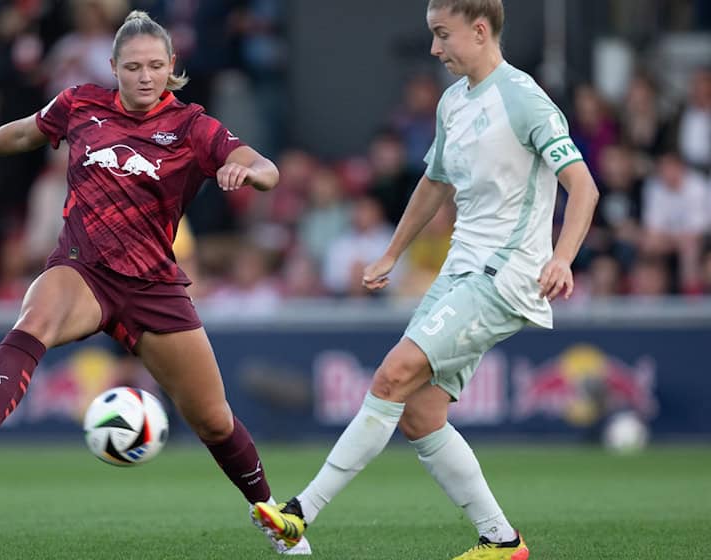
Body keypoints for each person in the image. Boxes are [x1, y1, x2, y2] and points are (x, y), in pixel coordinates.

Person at [0, 11, 310, 555]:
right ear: (114, 68)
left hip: (153, 287)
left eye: (155, 65)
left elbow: (264, 165)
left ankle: (279, 526)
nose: (145, 76)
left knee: (214, 421)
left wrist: (248, 172)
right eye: (133, 67)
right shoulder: (81, 104)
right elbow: (26, 132)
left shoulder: (194, 126)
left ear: (172, 66)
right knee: (35, 318)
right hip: (84, 268)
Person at [253, 1, 599, 559]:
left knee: (392, 375)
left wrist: (562, 257)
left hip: (502, 274)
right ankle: (501, 541)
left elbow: (583, 187)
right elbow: (433, 183)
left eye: (443, 35)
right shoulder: (453, 103)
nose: (435, 49)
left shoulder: (525, 99)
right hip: (459, 271)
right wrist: (393, 252)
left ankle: (299, 513)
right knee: (419, 413)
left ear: (480, 31)